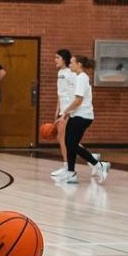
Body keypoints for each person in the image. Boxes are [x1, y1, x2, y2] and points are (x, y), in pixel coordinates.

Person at [58, 55, 110, 184]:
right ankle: (71, 173)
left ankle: (98, 165)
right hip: (76, 115)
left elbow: (78, 100)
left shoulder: (82, 78)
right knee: (69, 143)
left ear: (79, 64)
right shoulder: (79, 77)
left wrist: (65, 111)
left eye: (71, 62)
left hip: (83, 116)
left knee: (72, 144)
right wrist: (69, 112)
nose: (69, 65)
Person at [51, 48, 77, 178]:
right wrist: (57, 110)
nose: (55, 60)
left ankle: (67, 167)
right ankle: (92, 158)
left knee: (63, 138)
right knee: (66, 139)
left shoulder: (70, 74)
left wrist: (67, 112)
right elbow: (60, 93)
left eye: (57, 58)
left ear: (64, 60)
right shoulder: (60, 72)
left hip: (69, 111)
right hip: (63, 109)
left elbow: (74, 94)